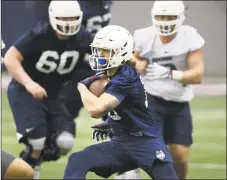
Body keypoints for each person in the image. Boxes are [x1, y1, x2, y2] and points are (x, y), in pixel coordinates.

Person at [63, 25, 178, 180]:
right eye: (98, 50)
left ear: (120, 52)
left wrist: (82, 88)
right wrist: (111, 123)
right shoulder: (109, 73)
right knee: (78, 160)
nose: (99, 55)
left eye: (105, 51)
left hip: (146, 144)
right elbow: (127, 107)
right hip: (122, 143)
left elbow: (95, 110)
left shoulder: (125, 77)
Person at [4, 1, 93, 179]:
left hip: (54, 94)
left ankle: (29, 163)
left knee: (64, 142)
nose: (68, 22)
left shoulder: (83, 37)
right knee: (37, 141)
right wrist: (29, 83)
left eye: (72, 18)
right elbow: (10, 57)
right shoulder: (39, 34)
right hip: (26, 91)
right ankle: (29, 170)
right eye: (63, 18)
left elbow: (103, 55)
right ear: (53, 17)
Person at [133, 1, 205, 179]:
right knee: (155, 151)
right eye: (160, 17)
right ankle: (130, 168)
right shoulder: (143, 36)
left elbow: (198, 75)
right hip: (151, 98)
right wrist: (137, 64)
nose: (165, 21)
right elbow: (130, 60)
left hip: (179, 101)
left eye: (170, 17)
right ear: (153, 16)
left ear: (180, 17)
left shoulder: (190, 36)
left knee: (180, 156)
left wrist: (171, 74)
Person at [60, 0, 113, 120]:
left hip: (100, 58)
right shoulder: (76, 5)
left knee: (112, 106)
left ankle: (118, 135)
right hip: (80, 62)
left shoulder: (104, 3)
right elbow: (70, 36)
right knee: (66, 109)